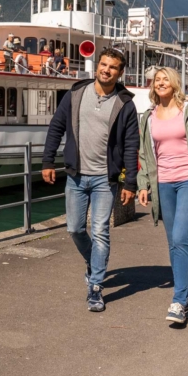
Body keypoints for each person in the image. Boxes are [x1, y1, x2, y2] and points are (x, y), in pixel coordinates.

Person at [41, 47, 139, 313]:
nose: (106, 70)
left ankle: (95, 287)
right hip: (75, 175)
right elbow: (56, 127)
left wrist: (130, 183)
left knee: (100, 232)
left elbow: (131, 146)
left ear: (120, 72)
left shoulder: (125, 104)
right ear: (97, 66)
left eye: (113, 67)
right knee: (74, 229)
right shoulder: (76, 94)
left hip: (104, 180)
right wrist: (48, 161)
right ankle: (94, 263)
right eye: (103, 64)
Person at [134, 67, 188, 324]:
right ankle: (185, 293)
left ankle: (180, 300)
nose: (160, 83)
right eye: (156, 80)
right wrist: (142, 185)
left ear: (174, 84)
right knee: (173, 242)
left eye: (165, 79)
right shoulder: (148, 117)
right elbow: (144, 154)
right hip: (163, 185)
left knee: (181, 238)